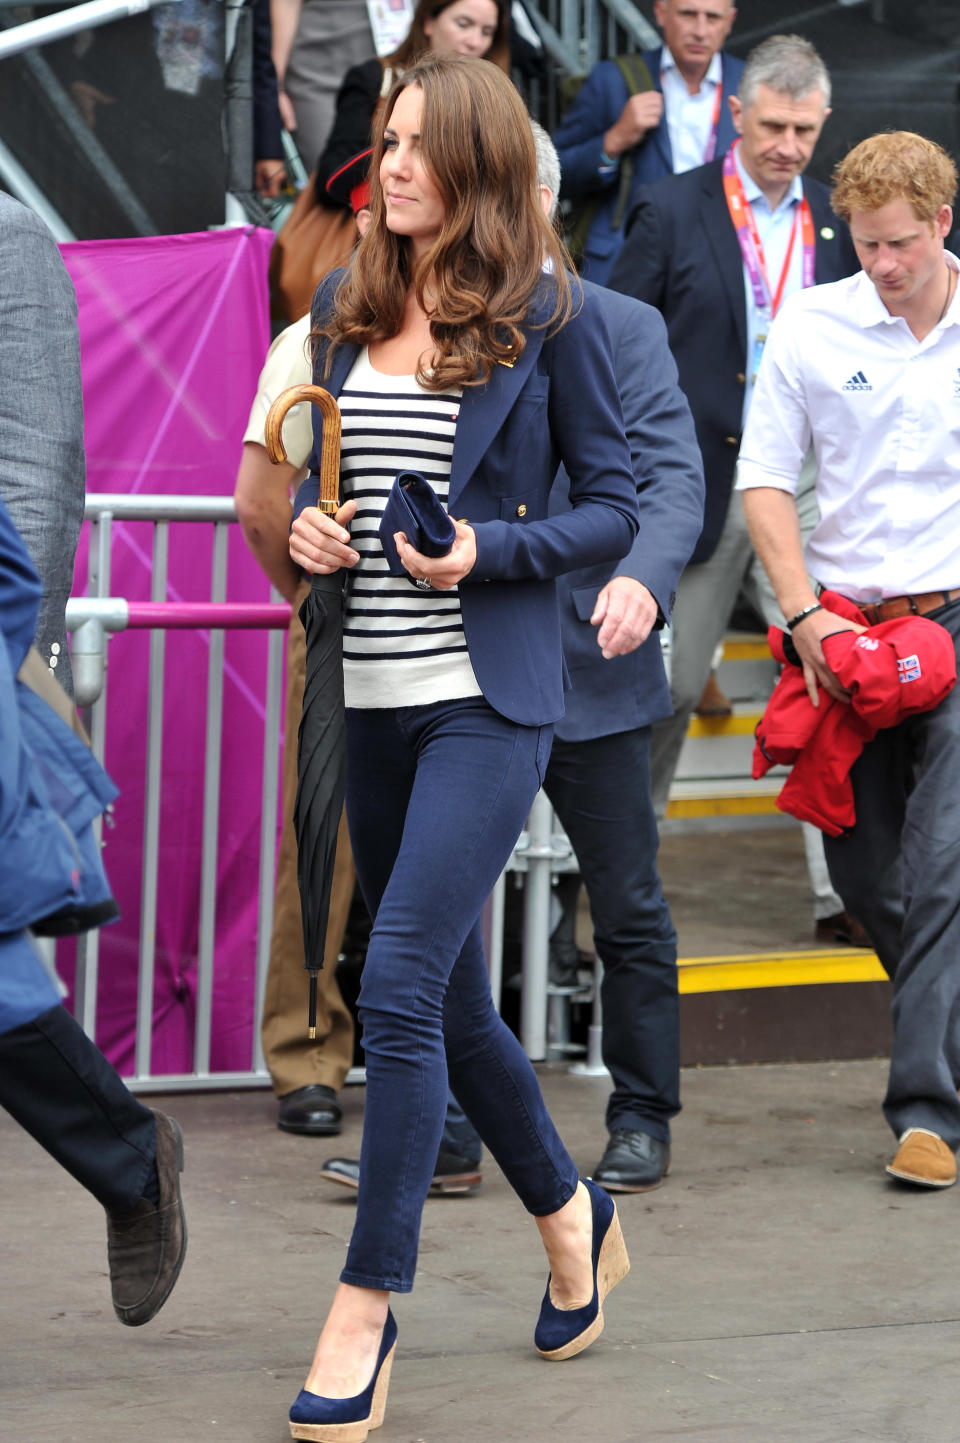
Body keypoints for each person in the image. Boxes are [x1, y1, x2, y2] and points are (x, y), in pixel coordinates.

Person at [285, 54, 638, 1438]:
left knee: (401, 979)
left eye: (425, 142)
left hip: (489, 698)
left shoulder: (550, 316)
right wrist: (315, 538)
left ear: (484, 160)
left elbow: (612, 505)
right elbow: (324, 501)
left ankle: (366, 1309)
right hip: (368, 690)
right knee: (441, 991)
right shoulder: (343, 304)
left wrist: (492, 548)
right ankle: (571, 1206)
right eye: (389, 136)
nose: (398, 160)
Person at [318, 121, 705, 1197]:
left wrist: (646, 579)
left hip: (588, 658)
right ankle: (441, 1132)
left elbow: (664, 484)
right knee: (428, 932)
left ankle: (639, 1113)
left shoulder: (611, 323)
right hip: (441, 671)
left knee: (624, 901)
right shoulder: (384, 313)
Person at [737, 131, 960, 1190]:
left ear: (943, 223)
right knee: (866, 877)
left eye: (903, 245)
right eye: (867, 245)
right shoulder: (814, 324)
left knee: (946, 863)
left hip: (957, 623)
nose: (884, 265)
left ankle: (927, 1112)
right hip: (843, 631)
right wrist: (801, 619)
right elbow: (767, 482)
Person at [608, 34, 861, 936]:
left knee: (839, 674)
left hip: (808, 482)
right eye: (773, 126)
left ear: (823, 122)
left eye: (804, 128)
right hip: (704, 473)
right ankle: (618, 889)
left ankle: (846, 895)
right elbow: (620, 341)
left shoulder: (839, 222)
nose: (788, 145)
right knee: (668, 687)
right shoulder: (674, 209)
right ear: (737, 116)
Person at [0, 195, 186, 1326]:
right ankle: (127, 1158)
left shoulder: (9, 240)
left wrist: (12, 664)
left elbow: (33, 474)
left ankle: (128, 1160)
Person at [234, 159, 379, 1136]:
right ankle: (308, 1054)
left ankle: (367, 1050)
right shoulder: (314, 334)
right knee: (323, 838)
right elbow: (258, 499)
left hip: (450, 625)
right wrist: (311, 599)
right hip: (342, 624)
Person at [552, 0, 742, 284]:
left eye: (712, 17)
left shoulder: (750, 84)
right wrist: (613, 141)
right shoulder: (612, 80)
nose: (701, 31)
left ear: (729, 21)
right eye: (688, 14)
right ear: (661, 13)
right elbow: (552, 174)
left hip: (718, 266)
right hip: (626, 266)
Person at [314, 0, 510, 207]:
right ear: (428, 22)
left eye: (487, 32)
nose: (475, 41)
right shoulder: (374, 79)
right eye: (463, 24)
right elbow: (330, 178)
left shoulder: (495, 99)